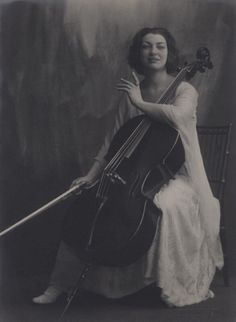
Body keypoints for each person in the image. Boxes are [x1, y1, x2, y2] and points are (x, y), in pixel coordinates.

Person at [32, 27, 223, 307]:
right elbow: (112, 141)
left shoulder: (184, 89)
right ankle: (60, 283)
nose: (154, 52)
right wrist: (90, 175)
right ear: (138, 52)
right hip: (133, 172)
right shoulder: (134, 90)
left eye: (160, 46)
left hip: (172, 174)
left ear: (169, 52)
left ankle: (158, 281)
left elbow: (178, 117)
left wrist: (140, 102)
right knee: (90, 206)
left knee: (169, 206)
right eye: (146, 46)